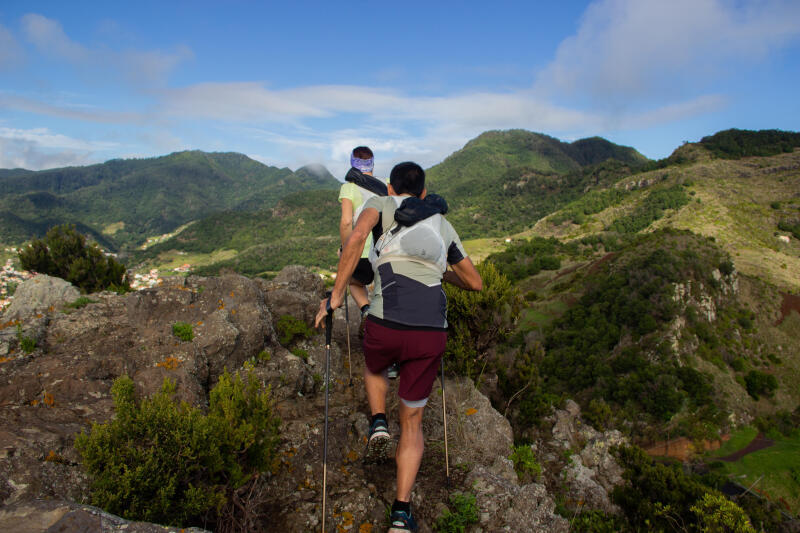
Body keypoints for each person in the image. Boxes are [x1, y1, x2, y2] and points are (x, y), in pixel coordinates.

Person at [316, 162, 482, 532]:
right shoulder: (443, 224)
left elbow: (357, 237)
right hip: (430, 331)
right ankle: (401, 513)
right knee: (413, 421)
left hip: (386, 323)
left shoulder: (379, 203)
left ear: (391, 188)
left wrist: (336, 295)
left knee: (375, 364)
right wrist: (441, 272)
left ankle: (377, 422)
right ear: (424, 193)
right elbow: (475, 283)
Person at [338, 146, 387, 319]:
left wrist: (346, 249)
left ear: (352, 164)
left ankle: (366, 311)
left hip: (362, 252)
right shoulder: (386, 183)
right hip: (386, 250)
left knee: (354, 282)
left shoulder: (349, 188)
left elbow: (346, 222)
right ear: (372, 164)